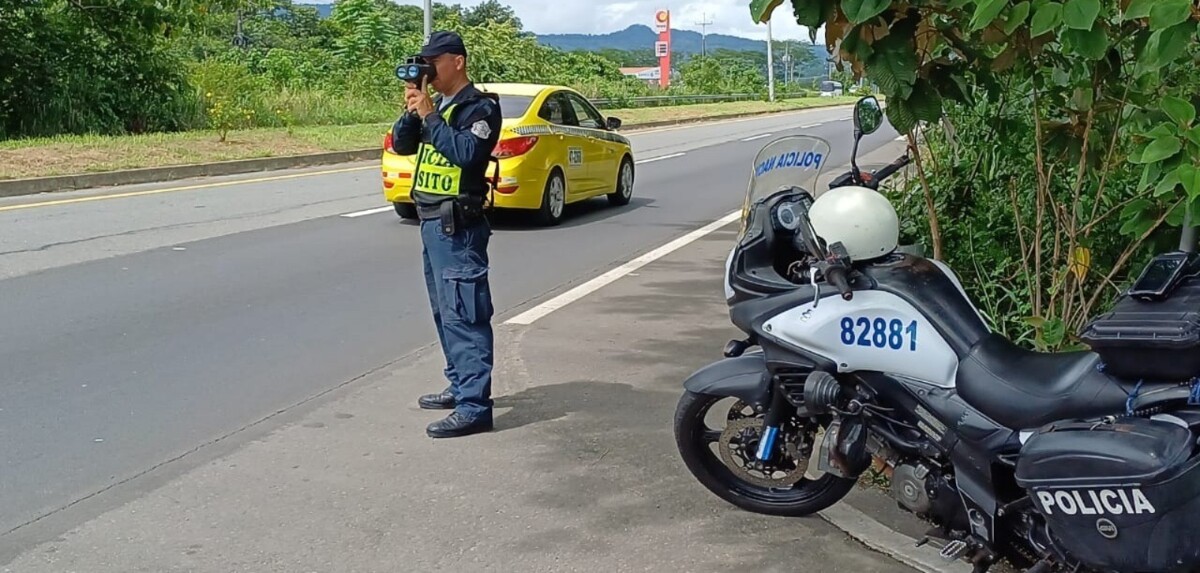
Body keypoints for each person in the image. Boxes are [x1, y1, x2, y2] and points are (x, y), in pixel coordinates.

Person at [391, 30, 503, 439]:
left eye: (433, 63)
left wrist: (430, 116)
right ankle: (460, 385)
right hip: (431, 223)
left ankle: (475, 406)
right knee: (444, 312)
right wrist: (412, 109)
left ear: (457, 61)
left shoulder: (481, 108)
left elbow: (467, 155)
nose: (428, 71)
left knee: (465, 312)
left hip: (460, 226)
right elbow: (403, 146)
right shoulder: (435, 106)